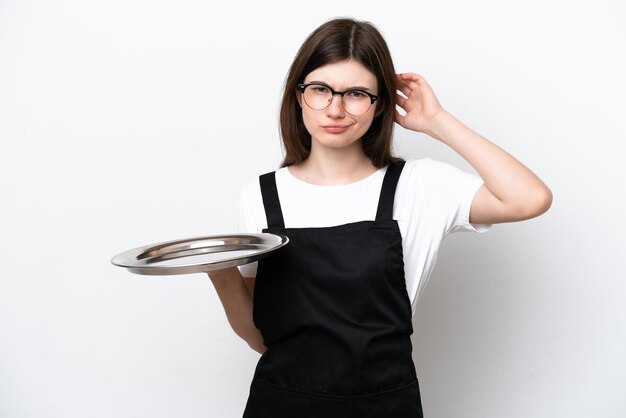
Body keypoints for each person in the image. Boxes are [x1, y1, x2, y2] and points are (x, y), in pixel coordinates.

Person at [208, 17, 552, 418]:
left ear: (381, 105)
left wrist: (437, 122)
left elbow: (530, 198)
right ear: (299, 95)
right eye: (320, 89)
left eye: (355, 93)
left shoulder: (420, 187)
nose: (335, 109)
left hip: (386, 407)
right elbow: (261, 338)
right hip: (281, 405)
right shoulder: (262, 197)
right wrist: (219, 272)